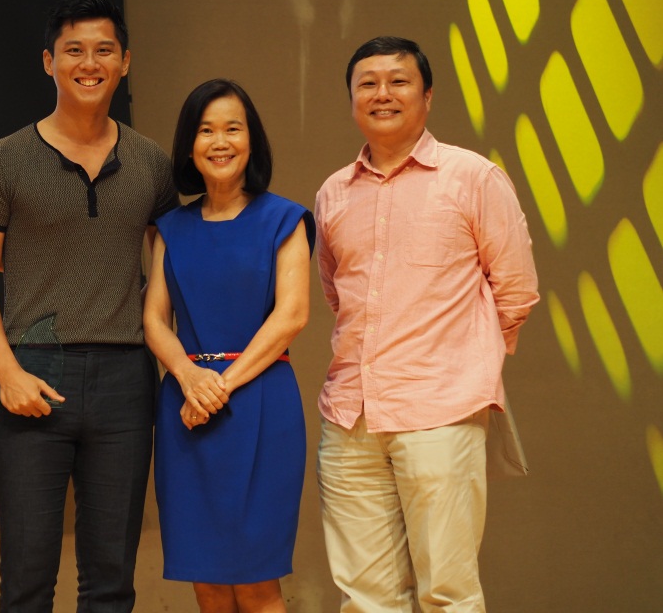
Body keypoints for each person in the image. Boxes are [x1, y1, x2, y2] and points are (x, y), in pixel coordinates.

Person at [0, 0, 178, 612]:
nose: (90, 62)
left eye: (104, 50)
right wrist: (6, 372)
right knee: (27, 577)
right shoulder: (3, 160)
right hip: (33, 369)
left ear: (125, 62)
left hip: (124, 379)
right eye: (74, 50)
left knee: (111, 578)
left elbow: (168, 266)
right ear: (48, 62)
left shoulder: (150, 163)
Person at [315, 36, 540, 612]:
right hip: (351, 417)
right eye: (367, 83)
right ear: (351, 98)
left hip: (440, 412)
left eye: (398, 80)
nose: (382, 93)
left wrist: (465, 364)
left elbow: (515, 292)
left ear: (427, 95)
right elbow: (340, 296)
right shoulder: (333, 193)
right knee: (364, 598)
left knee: (447, 594)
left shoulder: (474, 177)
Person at [144, 79, 315, 612]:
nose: (220, 141)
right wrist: (188, 378)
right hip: (186, 410)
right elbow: (154, 319)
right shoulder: (170, 228)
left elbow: (292, 316)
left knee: (258, 582)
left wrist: (218, 386)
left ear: (251, 140)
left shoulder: (284, 219)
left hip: (262, 407)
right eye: (206, 130)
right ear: (189, 146)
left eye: (232, 129)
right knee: (209, 582)